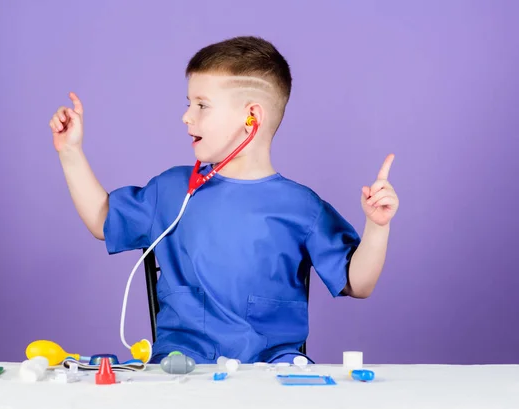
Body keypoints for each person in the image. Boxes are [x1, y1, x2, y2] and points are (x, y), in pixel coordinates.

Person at [48, 36, 399, 364]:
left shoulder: (302, 207)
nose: (187, 116)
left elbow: (359, 283)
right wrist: (71, 153)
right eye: (189, 103)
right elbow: (102, 220)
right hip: (183, 372)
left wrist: (377, 226)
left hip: (271, 375)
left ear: (251, 118)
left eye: (202, 105)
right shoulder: (172, 191)